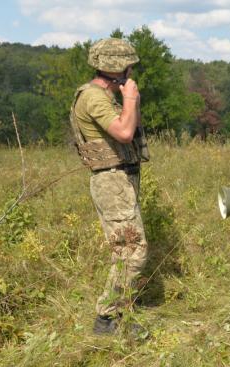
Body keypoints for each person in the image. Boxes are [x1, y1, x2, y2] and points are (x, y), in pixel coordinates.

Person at [69, 38, 149, 334]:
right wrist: (130, 98)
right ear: (118, 68)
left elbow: (131, 125)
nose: (131, 71)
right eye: (128, 65)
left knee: (125, 249)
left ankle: (116, 313)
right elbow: (125, 132)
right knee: (132, 249)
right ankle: (107, 318)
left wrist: (131, 102)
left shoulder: (105, 95)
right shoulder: (94, 98)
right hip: (111, 180)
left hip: (120, 179)